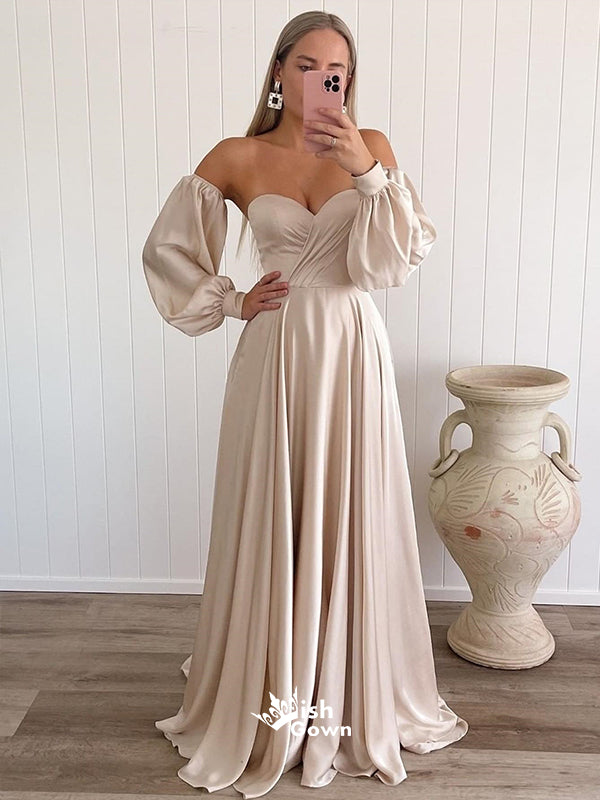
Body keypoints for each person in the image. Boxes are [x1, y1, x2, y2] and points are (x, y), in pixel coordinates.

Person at [142, 10, 468, 799]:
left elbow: (391, 264)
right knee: (273, 510)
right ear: (279, 72)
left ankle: (346, 691)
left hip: (352, 351)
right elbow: (167, 251)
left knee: (352, 508)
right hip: (277, 356)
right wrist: (230, 301)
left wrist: (368, 173)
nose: (329, 81)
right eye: (313, 66)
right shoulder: (237, 157)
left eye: (340, 72)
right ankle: (271, 689)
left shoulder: (372, 147)